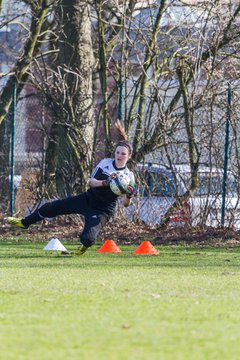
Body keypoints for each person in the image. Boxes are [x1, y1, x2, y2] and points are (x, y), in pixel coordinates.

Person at [7, 121, 135, 255]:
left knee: (88, 239)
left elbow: (125, 204)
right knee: (51, 207)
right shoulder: (105, 164)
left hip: (103, 210)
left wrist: (129, 195)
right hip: (87, 199)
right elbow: (91, 182)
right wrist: (105, 182)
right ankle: (24, 222)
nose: (119, 156)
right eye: (117, 152)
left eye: (123, 154)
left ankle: (83, 247)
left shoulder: (129, 177)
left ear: (129, 157)